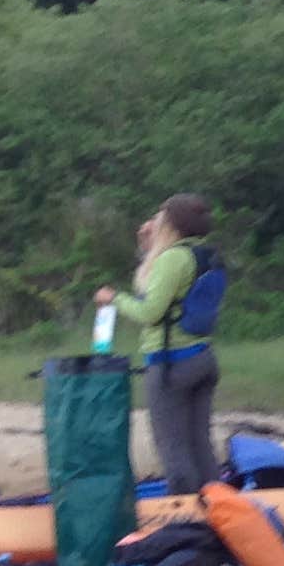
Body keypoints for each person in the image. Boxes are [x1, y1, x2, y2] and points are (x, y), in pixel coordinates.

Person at [97, 193, 226, 497]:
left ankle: (183, 513)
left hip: (172, 365)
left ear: (170, 223)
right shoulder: (204, 255)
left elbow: (149, 311)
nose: (154, 221)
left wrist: (113, 298)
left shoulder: (171, 259)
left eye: (160, 216)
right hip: (204, 359)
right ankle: (218, 509)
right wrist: (148, 250)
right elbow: (162, 293)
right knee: (200, 443)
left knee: (172, 446)